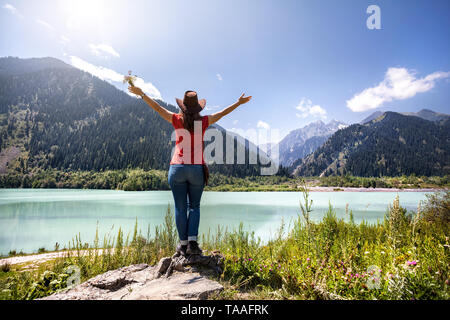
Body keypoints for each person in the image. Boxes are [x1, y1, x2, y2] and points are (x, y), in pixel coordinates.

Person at [128, 86, 252, 255]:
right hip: (196, 170)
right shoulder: (204, 122)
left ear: (183, 107)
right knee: (194, 207)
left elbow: (157, 108)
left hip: (177, 168)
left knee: (180, 208)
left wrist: (141, 94)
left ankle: (182, 245)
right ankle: (193, 244)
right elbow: (222, 113)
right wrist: (238, 103)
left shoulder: (176, 119)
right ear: (198, 108)